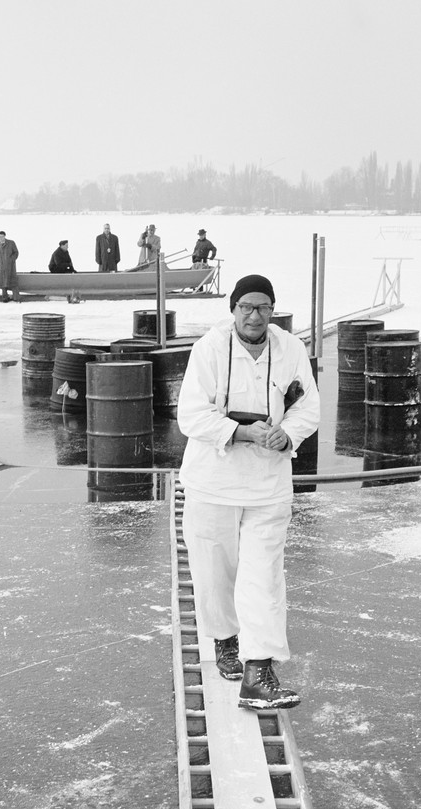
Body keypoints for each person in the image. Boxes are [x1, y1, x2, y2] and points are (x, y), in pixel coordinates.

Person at [177, 274, 320, 711]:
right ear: (233, 309)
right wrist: (238, 431)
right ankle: (225, 639)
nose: (255, 315)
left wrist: (288, 434)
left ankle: (259, 671)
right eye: (246, 307)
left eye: (263, 307)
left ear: (272, 310)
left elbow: (307, 407)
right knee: (214, 569)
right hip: (213, 482)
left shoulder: (290, 349)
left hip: (267, 485)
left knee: (263, 577)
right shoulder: (210, 349)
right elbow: (190, 416)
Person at [0, 230, 19, 302]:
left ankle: (16, 297)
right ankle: (5, 298)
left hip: (11, 266)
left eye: (1, 236)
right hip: (2, 267)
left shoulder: (11, 243)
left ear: (4, 236)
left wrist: (11, 260)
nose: (0, 238)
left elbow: (16, 252)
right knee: (3, 282)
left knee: (13, 281)